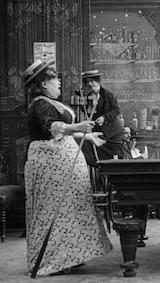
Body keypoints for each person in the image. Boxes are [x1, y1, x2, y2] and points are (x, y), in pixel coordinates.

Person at [23, 60, 112, 277]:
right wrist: (78, 127)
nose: (59, 83)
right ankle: (50, 260)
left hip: (63, 170)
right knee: (53, 211)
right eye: (55, 79)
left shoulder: (50, 102)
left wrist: (86, 135)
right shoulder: (40, 104)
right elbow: (52, 128)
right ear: (44, 83)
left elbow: (65, 131)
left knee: (68, 211)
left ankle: (69, 255)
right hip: (51, 170)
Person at [81, 69, 127, 163]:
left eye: (92, 81)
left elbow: (116, 110)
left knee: (113, 159)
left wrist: (104, 117)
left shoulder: (108, 94)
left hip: (112, 132)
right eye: (88, 82)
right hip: (99, 132)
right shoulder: (89, 96)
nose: (90, 84)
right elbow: (89, 113)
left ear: (97, 81)